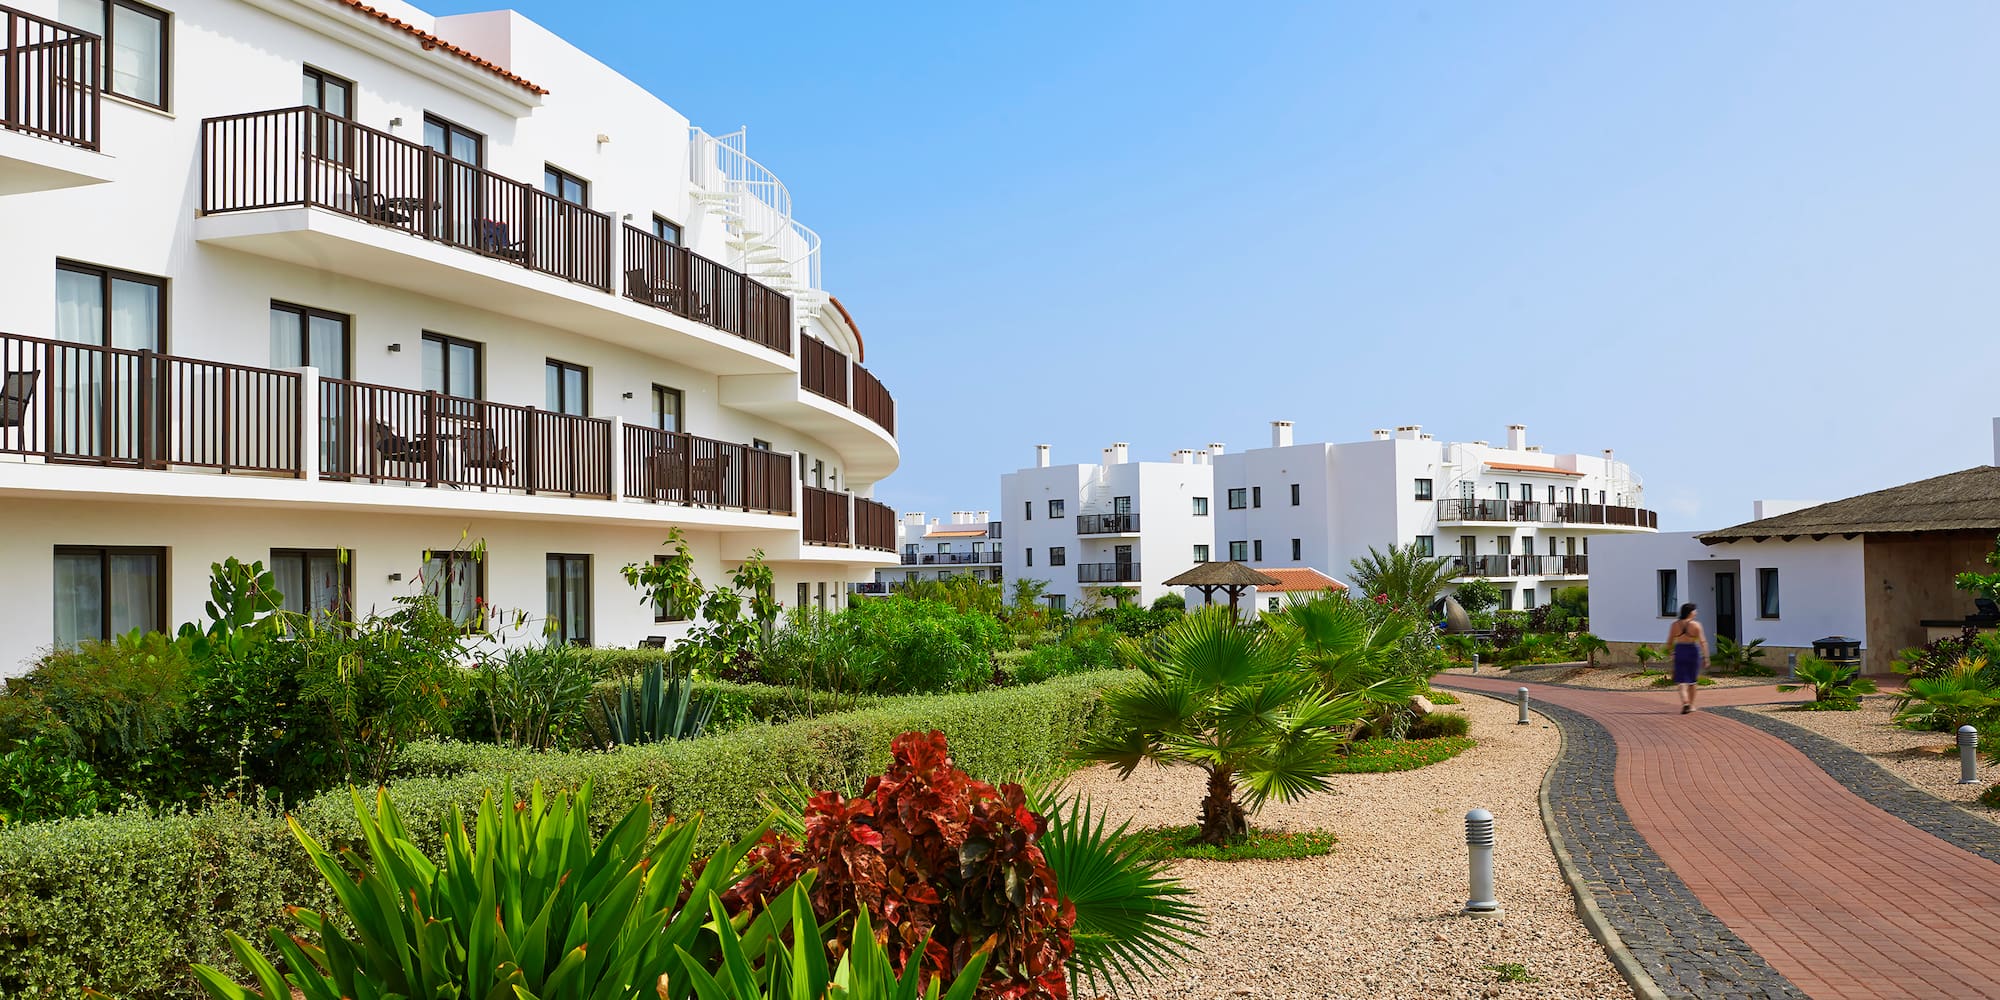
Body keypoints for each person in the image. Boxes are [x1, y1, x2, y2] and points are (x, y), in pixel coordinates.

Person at [1665, 602, 1708, 714]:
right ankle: (1691, 705)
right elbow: (1703, 642)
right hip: (1692, 651)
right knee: (1692, 680)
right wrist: (1706, 657)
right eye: (1695, 610)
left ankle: (1685, 702)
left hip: (1680, 651)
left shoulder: (1675, 625)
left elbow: (1669, 642)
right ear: (1690, 612)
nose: (1696, 612)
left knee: (1681, 680)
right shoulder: (1696, 625)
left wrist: (1671, 653)